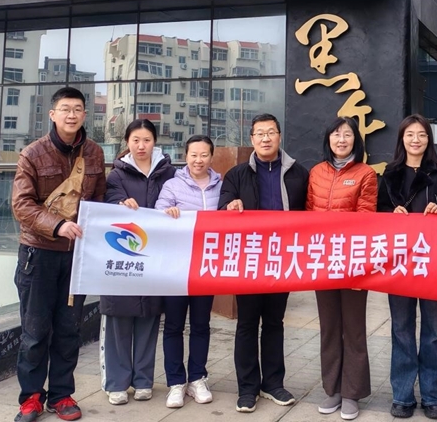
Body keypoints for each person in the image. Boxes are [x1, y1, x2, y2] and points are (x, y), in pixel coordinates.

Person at [11, 87, 106, 422]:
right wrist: (57, 225)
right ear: (53, 114)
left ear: (84, 114)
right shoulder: (32, 153)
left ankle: (62, 395)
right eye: (65, 109)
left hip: (76, 256)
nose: (71, 115)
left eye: (77, 109)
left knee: (68, 329)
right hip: (38, 254)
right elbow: (21, 205)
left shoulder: (94, 153)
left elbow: (99, 200)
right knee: (35, 331)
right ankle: (31, 398)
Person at [218, 113, 309, 413]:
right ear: (252, 139)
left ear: (280, 136)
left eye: (271, 132)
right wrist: (230, 205)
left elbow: (311, 215)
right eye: (260, 133)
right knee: (246, 323)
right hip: (249, 258)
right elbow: (223, 204)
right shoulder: (237, 174)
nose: (266, 138)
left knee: (274, 323)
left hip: (283, 258)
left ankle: (273, 383)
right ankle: (247, 388)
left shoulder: (298, 174)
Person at [377, 114, 437, 420]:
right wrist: (391, 214)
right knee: (401, 330)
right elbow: (378, 213)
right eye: (410, 134)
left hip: (434, 263)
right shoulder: (390, 174)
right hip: (399, 263)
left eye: (422, 134)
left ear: (429, 139)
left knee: (434, 331)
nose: (416, 140)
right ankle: (402, 396)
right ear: (402, 139)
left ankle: (434, 396)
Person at [306, 117, 378, 420]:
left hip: (352, 262)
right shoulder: (316, 172)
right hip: (323, 261)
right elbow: (308, 214)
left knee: (354, 329)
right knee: (329, 328)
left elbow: (365, 217)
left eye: (347, 135)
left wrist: (355, 259)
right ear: (328, 140)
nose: (341, 140)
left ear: (355, 141)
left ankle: (352, 393)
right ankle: (332, 389)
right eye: (336, 134)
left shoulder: (365, 173)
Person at [100, 119, 175, 405]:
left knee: (149, 317)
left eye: (146, 140)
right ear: (127, 142)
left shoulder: (169, 173)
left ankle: (143, 380)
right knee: (119, 319)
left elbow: (180, 201)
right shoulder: (117, 174)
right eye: (135, 140)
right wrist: (119, 204)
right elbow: (107, 202)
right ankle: (116, 383)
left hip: (155, 257)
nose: (141, 146)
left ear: (155, 142)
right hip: (123, 254)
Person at [154, 135, 221, 409]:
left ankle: (197, 378)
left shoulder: (221, 186)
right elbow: (157, 215)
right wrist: (166, 212)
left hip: (206, 266)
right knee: (173, 326)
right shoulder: (172, 185)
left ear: (211, 157)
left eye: (204, 155)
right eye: (194, 155)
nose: (198, 160)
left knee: (201, 325)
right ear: (186, 156)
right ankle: (175, 382)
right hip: (177, 267)